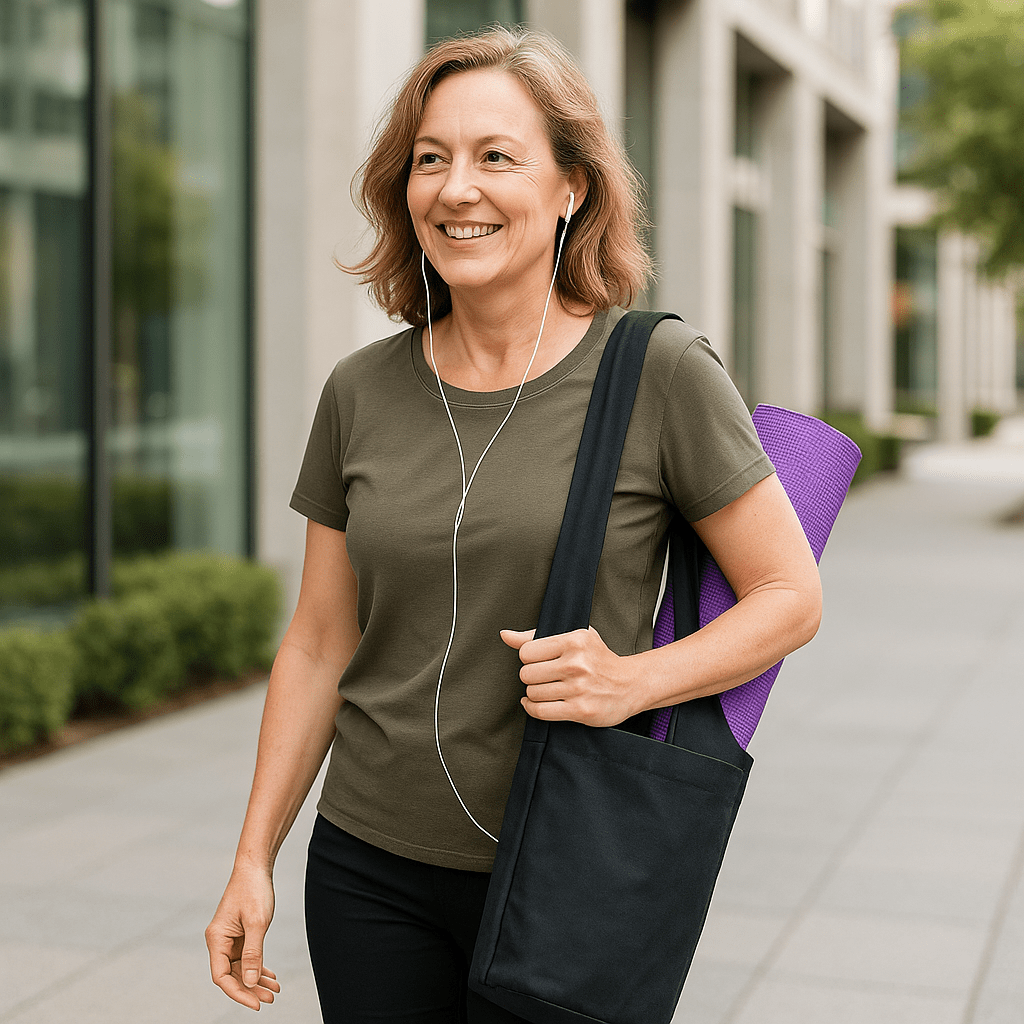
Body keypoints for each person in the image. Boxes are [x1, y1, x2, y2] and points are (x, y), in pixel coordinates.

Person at [205, 25, 822, 1024]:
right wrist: (252, 858)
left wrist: (632, 680)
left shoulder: (658, 371)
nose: (457, 189)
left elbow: (790, 596)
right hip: (366, 868)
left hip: (566, 865)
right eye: (430, 159)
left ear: (572, 186)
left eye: (496, 157)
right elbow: (319, 639)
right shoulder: (360, 390)